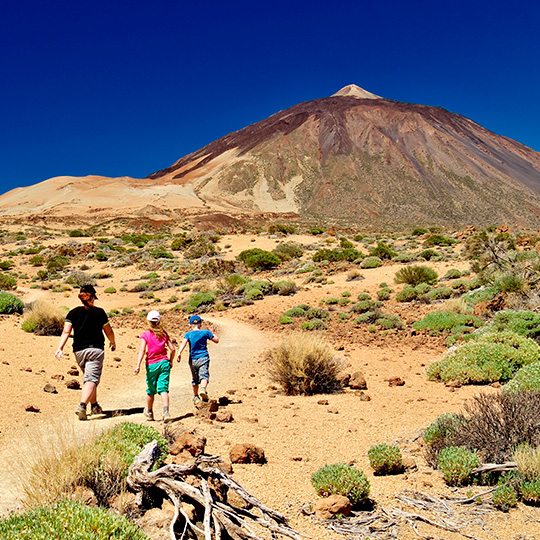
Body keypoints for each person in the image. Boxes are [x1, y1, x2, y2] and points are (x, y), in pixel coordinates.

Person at [55, 284, 116, 420]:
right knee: (91, 380)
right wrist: (112, 342)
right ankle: (82, 406)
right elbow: (109, 331)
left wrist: (60, 348)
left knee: (89, 378)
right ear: (92, 297)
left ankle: (94, 405)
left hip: (79, 351)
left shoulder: (73, 313)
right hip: (95, 350)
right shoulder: (100, 313)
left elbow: (66, 331)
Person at [134, 310, 176, 422]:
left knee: (151, 390)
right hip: (164, 363)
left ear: (148, 321)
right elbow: (172, 349)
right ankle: (166, 412)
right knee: (163, 389)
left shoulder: (146, 335)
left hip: (151, 365)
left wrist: (137, 365)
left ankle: (149, 411)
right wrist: (170, 361)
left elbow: (142, 350)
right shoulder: (164, 334)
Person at [177, 315, 219, 407]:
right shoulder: (206, 332)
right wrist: (212, 332)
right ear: (200, 324)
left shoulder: (188, 334)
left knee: (195, 379)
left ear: (190, 325)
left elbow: (183, 343)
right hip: (203, 357)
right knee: (204, 376)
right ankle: (203, 389)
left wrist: (179, 353)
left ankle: (196, 396)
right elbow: (216, 340)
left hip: (192, 360)